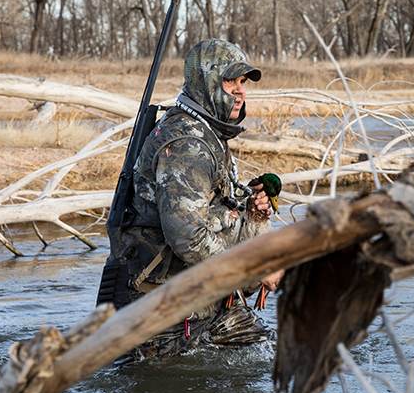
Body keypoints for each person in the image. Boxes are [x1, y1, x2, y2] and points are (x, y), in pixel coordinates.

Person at [104, 38, 283, 360]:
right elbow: (188, 238)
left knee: (279, 361)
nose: (240, 90)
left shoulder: (207, 134)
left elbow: (213, 210)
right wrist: (257, 270)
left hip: (205, 301)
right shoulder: (187, 145)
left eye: (242, 82)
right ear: (206, 82)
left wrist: (251, 214)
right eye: (230, 81)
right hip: (161, 313)